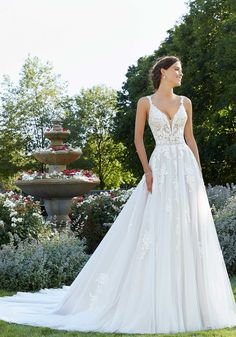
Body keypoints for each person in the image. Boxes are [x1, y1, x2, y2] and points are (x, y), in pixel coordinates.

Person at [0, 55, 236, 334]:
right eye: (177, 70)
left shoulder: (186, 102)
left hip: (184, 169)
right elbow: (138, 139)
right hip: (160, 167)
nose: (180, 74)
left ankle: (191, 301)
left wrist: (198, 171)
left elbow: (190, 138)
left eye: (180, 70)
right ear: (163, 72)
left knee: (187, 227)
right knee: (157, 225)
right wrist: (147, 170)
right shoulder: (145, 103)